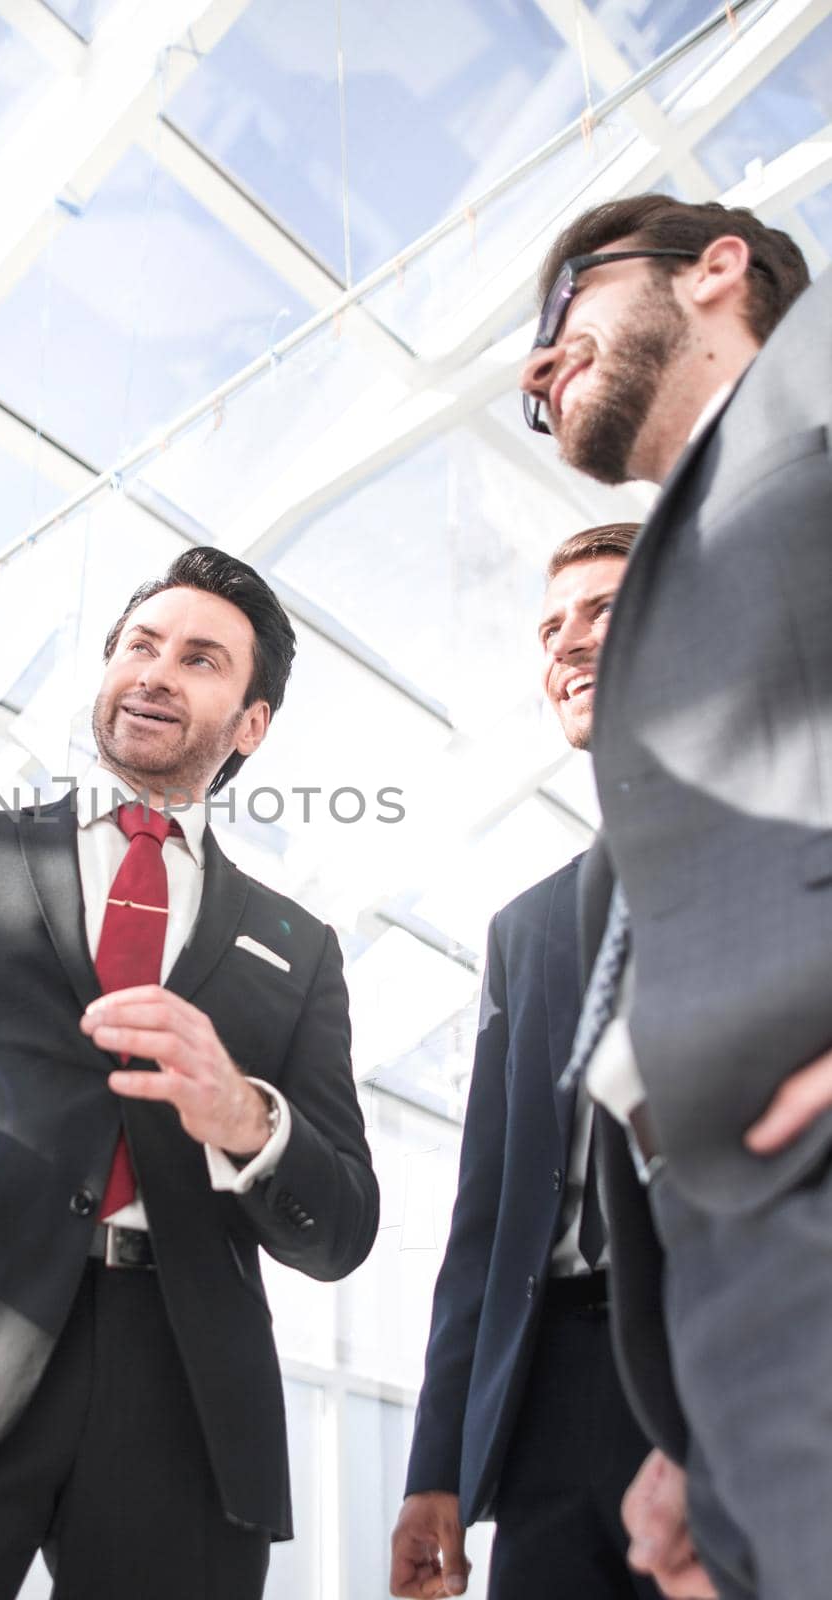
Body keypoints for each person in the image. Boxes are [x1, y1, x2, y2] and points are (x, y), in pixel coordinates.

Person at [0, 547, 381, 1600]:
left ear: (252, 724)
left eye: (200, 659)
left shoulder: (298, 945)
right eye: (140, 645)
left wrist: (241, 1115)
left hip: (189, 1397)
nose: (156, 672)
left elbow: (345, 1221)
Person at [520, 193, 832, 1598]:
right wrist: (686, 1424)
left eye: (562, 310)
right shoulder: (694, 559)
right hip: (735, 1314)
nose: (533, 370)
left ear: (715, 272)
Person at [390, 524, 658, 1600]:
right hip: (550, 1395)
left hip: (740, 1368)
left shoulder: (792, 833)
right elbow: (487, 1216)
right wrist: (436, 1467)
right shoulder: (528, 929)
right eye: (551, 627)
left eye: (600, 610)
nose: (568, 642)